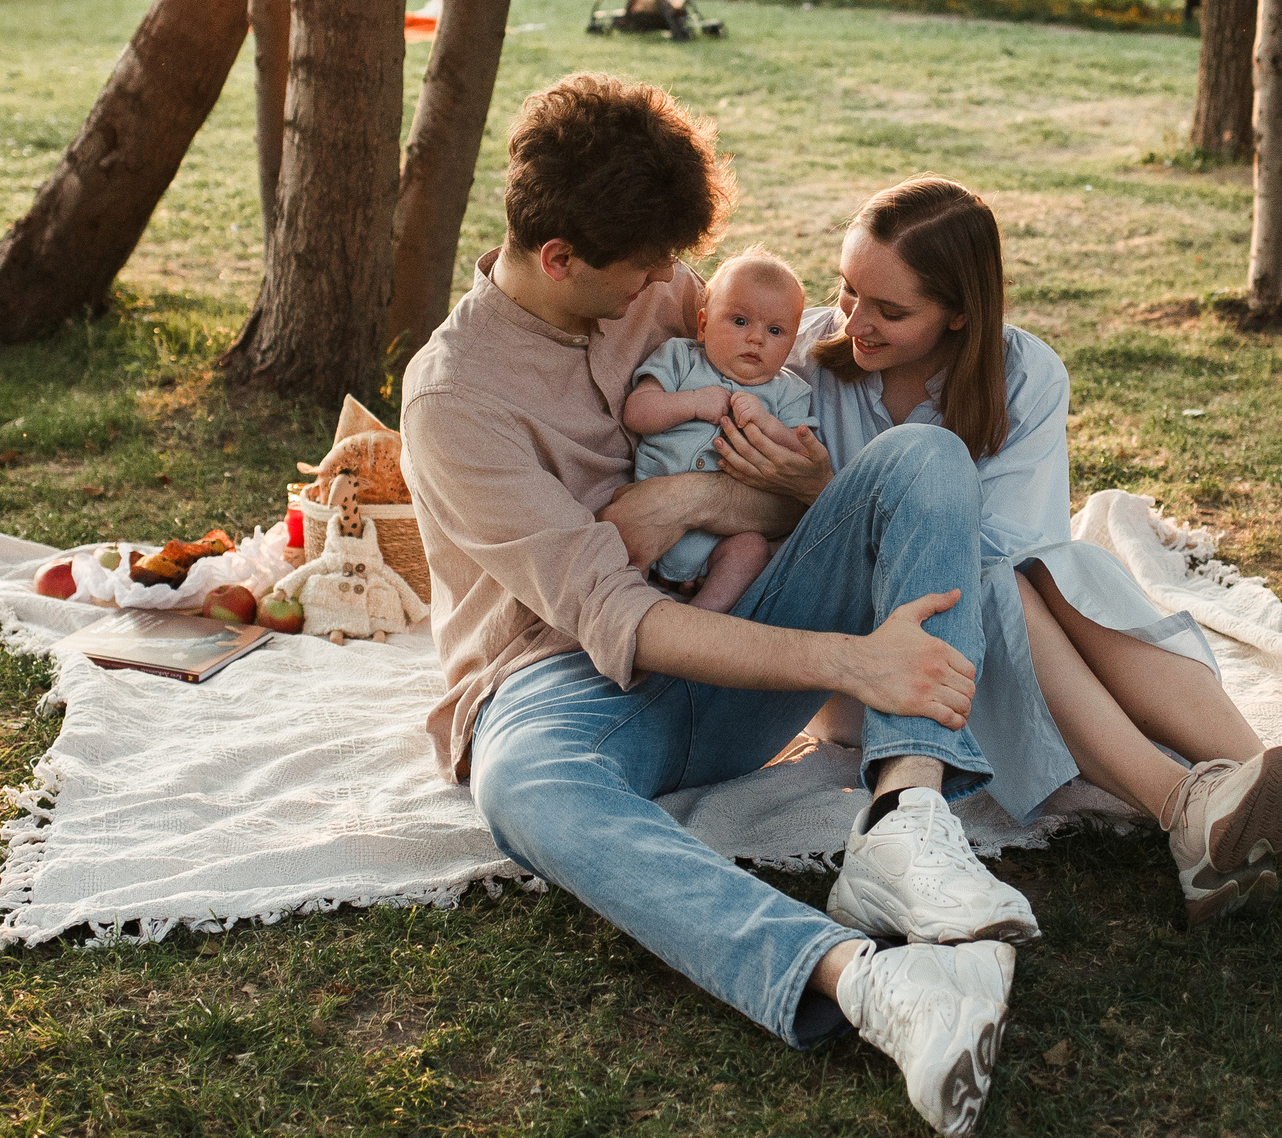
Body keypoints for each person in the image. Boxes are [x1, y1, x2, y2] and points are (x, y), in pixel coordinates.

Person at [404, 74, 1033, 1138]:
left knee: (921, 460)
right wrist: (848, 664)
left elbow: (789, 487)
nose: (670, 285)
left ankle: (902, 822)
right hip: (566, 687)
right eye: (649, 268)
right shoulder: (454, 401)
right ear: (559, 259)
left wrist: (693, 494)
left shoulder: (653, 288)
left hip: (735, 642)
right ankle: (871, 987)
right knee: (520, 788)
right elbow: (624, 618)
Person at [710, 178, 1282, 926]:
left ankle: (1272, 789)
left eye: (890, 309)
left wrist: (831, 487)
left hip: (987, 634)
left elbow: (1017, 546)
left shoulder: (1025, 374)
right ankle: (1186, 808)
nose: (854, 319)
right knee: (997, 586)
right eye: (849, 289)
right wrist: (826, 494)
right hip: (867, 656)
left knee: (1065, 566)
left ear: (959, 314)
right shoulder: (803, 358)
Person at [621, 249, 818, 615]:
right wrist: (692, 403)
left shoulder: (789, 392)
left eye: (775, 330)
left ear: (791, 343)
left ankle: (703, 617)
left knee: (751, 551)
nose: (756, 338)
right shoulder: (679, 358)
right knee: (616, 537)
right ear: (703, 324)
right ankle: (634, 612)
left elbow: (803, 452)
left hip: (723, 537)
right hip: (651, 514)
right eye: (739, 321)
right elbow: (637, 412)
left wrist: (767, 423)